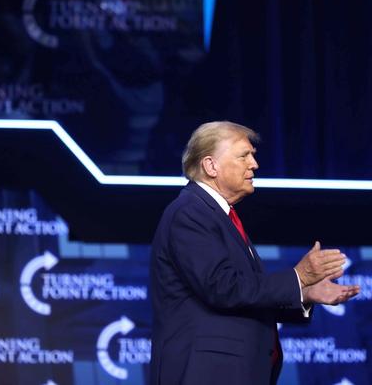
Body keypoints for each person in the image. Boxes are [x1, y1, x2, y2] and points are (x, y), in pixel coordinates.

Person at [149, 121, 360, 384]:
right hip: (207, 373)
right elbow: (222, 288)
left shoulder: (218, 216)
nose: (254, 165)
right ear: (210, 166)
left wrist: (304, 293)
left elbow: (246, 296)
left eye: (253, 155)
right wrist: (299, 276)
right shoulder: (190, 213)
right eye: (243, 156)